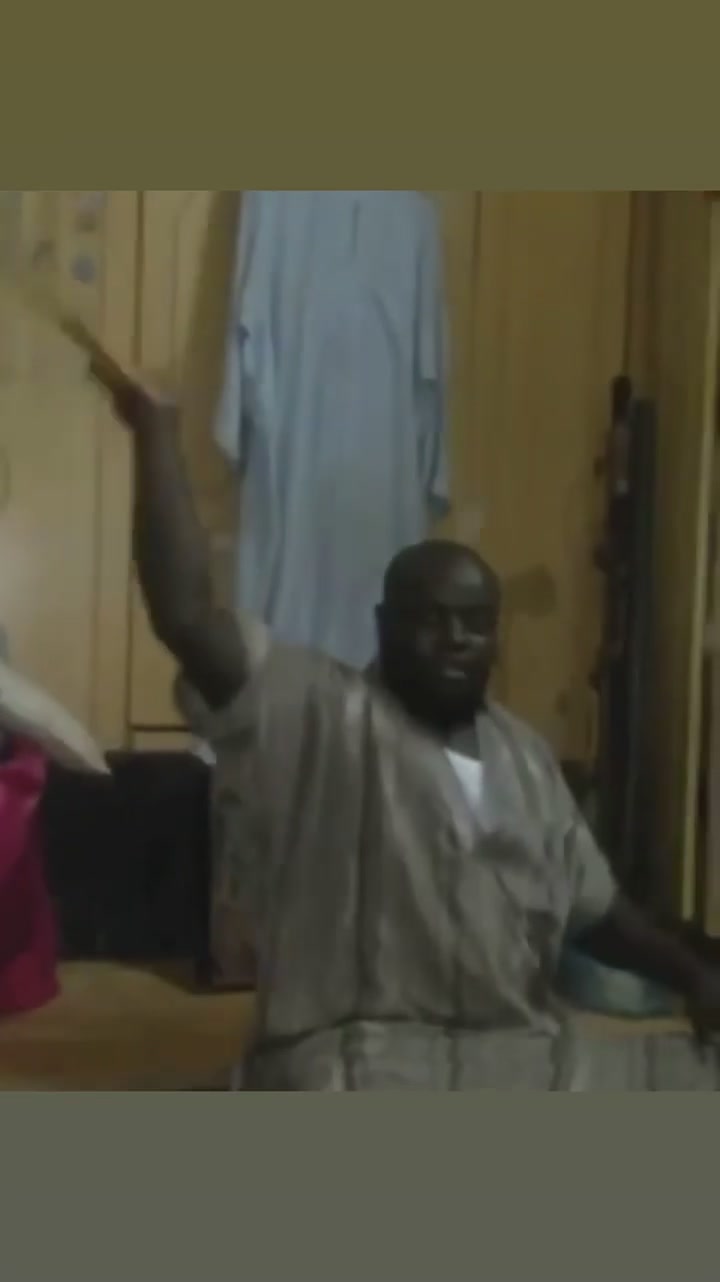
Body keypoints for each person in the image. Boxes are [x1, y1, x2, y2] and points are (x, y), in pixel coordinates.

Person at [109, 370, 720, 1090]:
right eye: (431, 619)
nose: (456, 638)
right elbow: (187, 616)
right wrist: (156, 432)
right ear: (383, 626)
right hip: (355, 1065)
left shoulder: (525, 758)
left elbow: (598, 911)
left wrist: (695, 976)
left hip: (516, 1060)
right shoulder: (319, 714)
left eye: (475, 623)